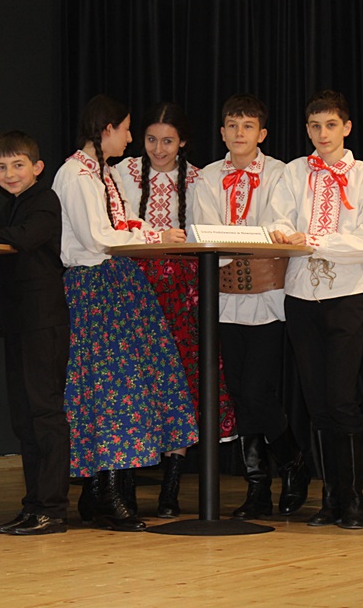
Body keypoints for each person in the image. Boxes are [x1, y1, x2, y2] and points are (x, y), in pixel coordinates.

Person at [52, 94, 198, 532]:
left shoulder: (102, 173)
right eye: (127, 129)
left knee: (130, 386)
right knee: (112, 389)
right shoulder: (76, 175)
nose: (131, 138)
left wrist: (152, 233)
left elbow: (122, 224)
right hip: (94, 287)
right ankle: (107, 492)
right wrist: (154, 239)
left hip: (117, 284)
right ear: (107, 129)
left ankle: (103, 491)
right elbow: (97, 238)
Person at [265, 90, 363, 529]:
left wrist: (315, 241)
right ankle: (330, 498)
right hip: (301, 296)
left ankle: (353, 497)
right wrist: (284, 234)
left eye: (331, 125)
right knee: (316, 401)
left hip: (346, 297)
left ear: (347, 128)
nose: (323, 134)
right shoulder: (295, 171)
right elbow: (278, 219)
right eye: (315, 126)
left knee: (341, 398)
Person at [115, 102, 237, 518]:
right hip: (134, 287)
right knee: (134, 382)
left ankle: (171, 483)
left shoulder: (199, 180)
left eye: (168, 141)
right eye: (151, 139)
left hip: (182, 292)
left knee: (181, 382)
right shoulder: (124, 173)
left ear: (182, 142)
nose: (158, 149)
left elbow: (205, 234)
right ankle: (124, 484)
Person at [193, 93, 310, 519]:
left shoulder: (280, 173)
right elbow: (206, 233)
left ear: (262, 133)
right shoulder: (207, 177)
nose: (239, 133)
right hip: (224, 297)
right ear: (222, 132)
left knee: (258, 389)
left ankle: (293, 463)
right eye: (232, 125)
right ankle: (258, 484)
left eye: (247, 126)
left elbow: (276, 228)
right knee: (239, 392)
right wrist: (247, 242)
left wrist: (242, 242)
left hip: (268, 297)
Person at [0, 131, 70, 536]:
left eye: (18, 165)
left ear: (37, 168)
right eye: (1, 167)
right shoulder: (12, 206)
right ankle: (34, 505)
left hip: (42, 322)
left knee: (45, 415)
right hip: (18, 322)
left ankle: (52, 509)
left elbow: (25, 237)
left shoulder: (44, 200)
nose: (9, 173)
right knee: (25, 419)